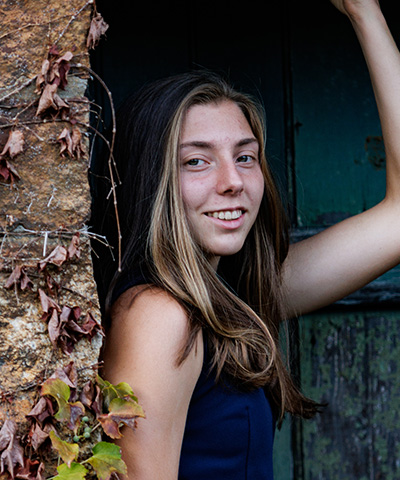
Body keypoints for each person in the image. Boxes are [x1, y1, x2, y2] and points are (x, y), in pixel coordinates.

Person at [90, 0, 400, 478]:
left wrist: (364, 12)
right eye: (197, 160)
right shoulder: (159, 316)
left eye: (246, 156)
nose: (232, 181)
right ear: (152, 181)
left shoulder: (232, 294)